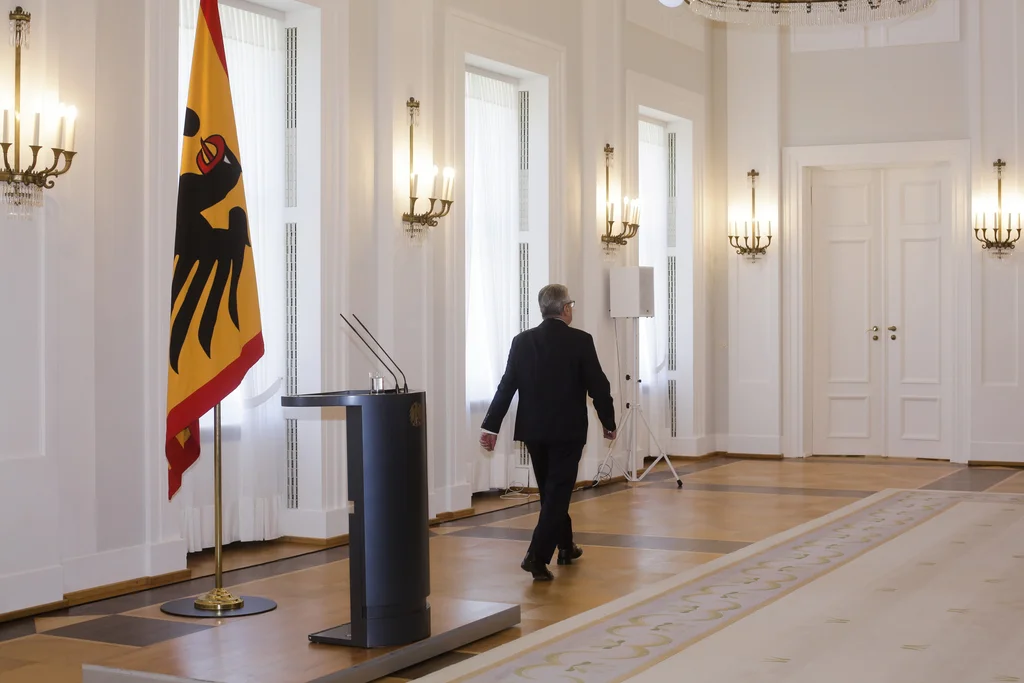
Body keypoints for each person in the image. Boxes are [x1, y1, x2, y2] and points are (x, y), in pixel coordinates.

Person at [479, 284, 616, 581]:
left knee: (552, 493)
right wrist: (609, 421)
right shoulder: (581, 341)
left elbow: (506, 386)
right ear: (566, 309)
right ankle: (536, 556)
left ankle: (565, 547)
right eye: (572, 306)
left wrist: (491, 425)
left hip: (534, 431)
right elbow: (599, 386)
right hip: (567, 431)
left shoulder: (522, 341)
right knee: (557, 494)